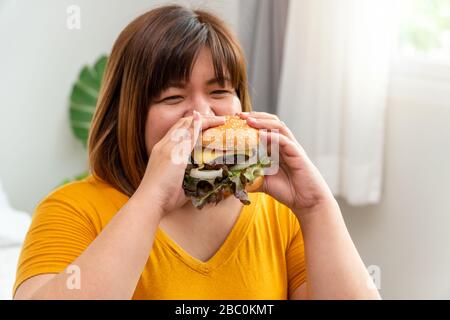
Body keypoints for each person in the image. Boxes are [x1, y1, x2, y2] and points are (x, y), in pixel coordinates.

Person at [13, 4, 380, 300]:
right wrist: (152, 199)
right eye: (173, 97)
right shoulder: (71, 211)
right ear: (129, 115)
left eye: (219, 92)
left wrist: (316, 207)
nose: (203, 115)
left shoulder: (279, 215)